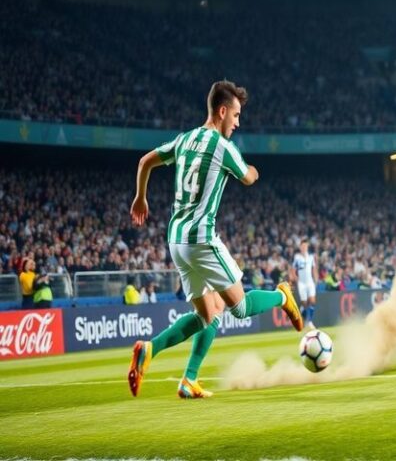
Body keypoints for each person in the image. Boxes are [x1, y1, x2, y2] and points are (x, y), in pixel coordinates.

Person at [127, 80, 303, 399]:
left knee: (208, 314)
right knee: (241, 306)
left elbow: (144, 162)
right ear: (222, 111)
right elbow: (248, 178)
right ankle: (282, 296)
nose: (237, 123)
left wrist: (141, 198)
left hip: (176, 241)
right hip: (201, 239)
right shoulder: (222, 147)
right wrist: (253, 169)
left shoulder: (184, 139)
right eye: (236, 116)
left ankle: (169, 365)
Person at [291, 238, 319, 329]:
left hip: (310, 282)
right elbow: (293, 270)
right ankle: (303, 311)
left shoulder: (311, 257)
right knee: (304, 303)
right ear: (300, 247)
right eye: (302, 246)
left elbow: (313, 269)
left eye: (305, 246)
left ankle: (309, 321)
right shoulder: (297, 257)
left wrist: (316, 279)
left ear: (307, 247)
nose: (304, 248)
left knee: (312, 301)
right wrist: (296, 278)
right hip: (301, 283)